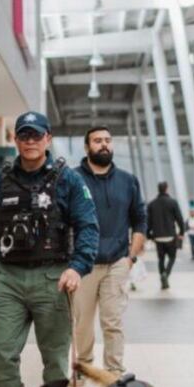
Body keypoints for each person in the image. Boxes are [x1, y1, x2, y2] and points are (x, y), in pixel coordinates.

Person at [0, 111, 99, 387]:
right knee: (2, 354)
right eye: (24, 135)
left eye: (37, 135)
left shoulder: (68, 180)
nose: (30, 141)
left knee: (55, 362)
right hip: (9, 280)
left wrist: (77, 267)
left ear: (48, 139)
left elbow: (88, 227)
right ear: (15, 140)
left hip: (53, 279)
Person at [73, 126, 146, 373]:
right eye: (97, 141)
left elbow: (140, 220)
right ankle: (83, 369)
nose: (104, 144)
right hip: (83, 265)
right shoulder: (72, 178)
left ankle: (114, 373)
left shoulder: (128, 181)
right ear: (87, 147)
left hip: (117, 262)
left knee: (113, 322)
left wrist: (130, 258)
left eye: (107, 140)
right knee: (82, 324)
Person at [147, 182, 185, 289]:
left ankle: (162, 277)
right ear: (167, 189)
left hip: (158, 237)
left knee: (161, 259)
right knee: (172, 257)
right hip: (170, 236)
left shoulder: (151, 204)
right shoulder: (173, 202)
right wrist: (181, 233)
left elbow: (148, 221)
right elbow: (180, 219)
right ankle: (166, 274)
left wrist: (149, 235)